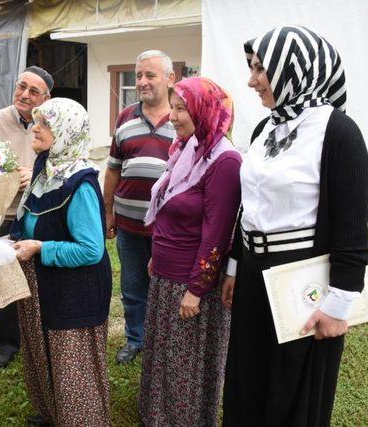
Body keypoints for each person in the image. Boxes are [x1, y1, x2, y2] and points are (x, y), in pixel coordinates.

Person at [221, 26, 368, 426]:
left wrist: (338, 307)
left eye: (261, 70)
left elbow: (353, 228)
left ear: (295, 69)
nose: (251, 80)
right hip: (254, 275)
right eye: (252, 68)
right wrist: (236, 266)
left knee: (294, 389)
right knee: (249, 377)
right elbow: (248, 205)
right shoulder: (264, 128)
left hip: (303, 277)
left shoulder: (338, 131)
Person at [138, 77, 242, 426]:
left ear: (204, 110)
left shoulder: (224, 161)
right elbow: (169, 205)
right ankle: (158, 415)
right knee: (164, 354)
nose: (172, 116)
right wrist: (157, 253)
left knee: (184, 359)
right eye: (175, 107)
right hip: (167, 274)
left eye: (182, 108)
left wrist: (196, 290)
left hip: (191, 282)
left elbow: (217, 233)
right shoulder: (187, 150)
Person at [12, 98, 112, 426]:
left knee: (72, 367)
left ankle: (81, 420)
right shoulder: (45, 169)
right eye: (36, 122)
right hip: (44, 286)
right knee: (45, 353)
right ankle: (54, 414)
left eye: (45, 124)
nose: (35, 128)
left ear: (66, 132)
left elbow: (91, 250)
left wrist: (40, 248)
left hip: (73, 293)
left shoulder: (80, 183)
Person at [104, 50, 176, 364]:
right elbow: (113, 168)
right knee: (133, 286)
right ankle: (136, 339)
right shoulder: (125, 117)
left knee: (168, 288)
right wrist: (107, 210)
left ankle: (166, 344)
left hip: (171, 229)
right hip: (130, 224)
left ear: (170, 79)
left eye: (151, 75)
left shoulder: (183, 116)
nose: (143, 82)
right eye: (139, 76)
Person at [0, 65, 53, 368]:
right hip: (5, 211)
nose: (24, 94)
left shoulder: (52, 121)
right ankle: (7, 343)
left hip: (41, 210)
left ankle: (43, 338)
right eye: (22, 86)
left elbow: (63, 162)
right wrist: (4, 175)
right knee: (6, 279)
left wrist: (34, 172)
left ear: (47, 97)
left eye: (33, 91)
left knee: (42, 279)